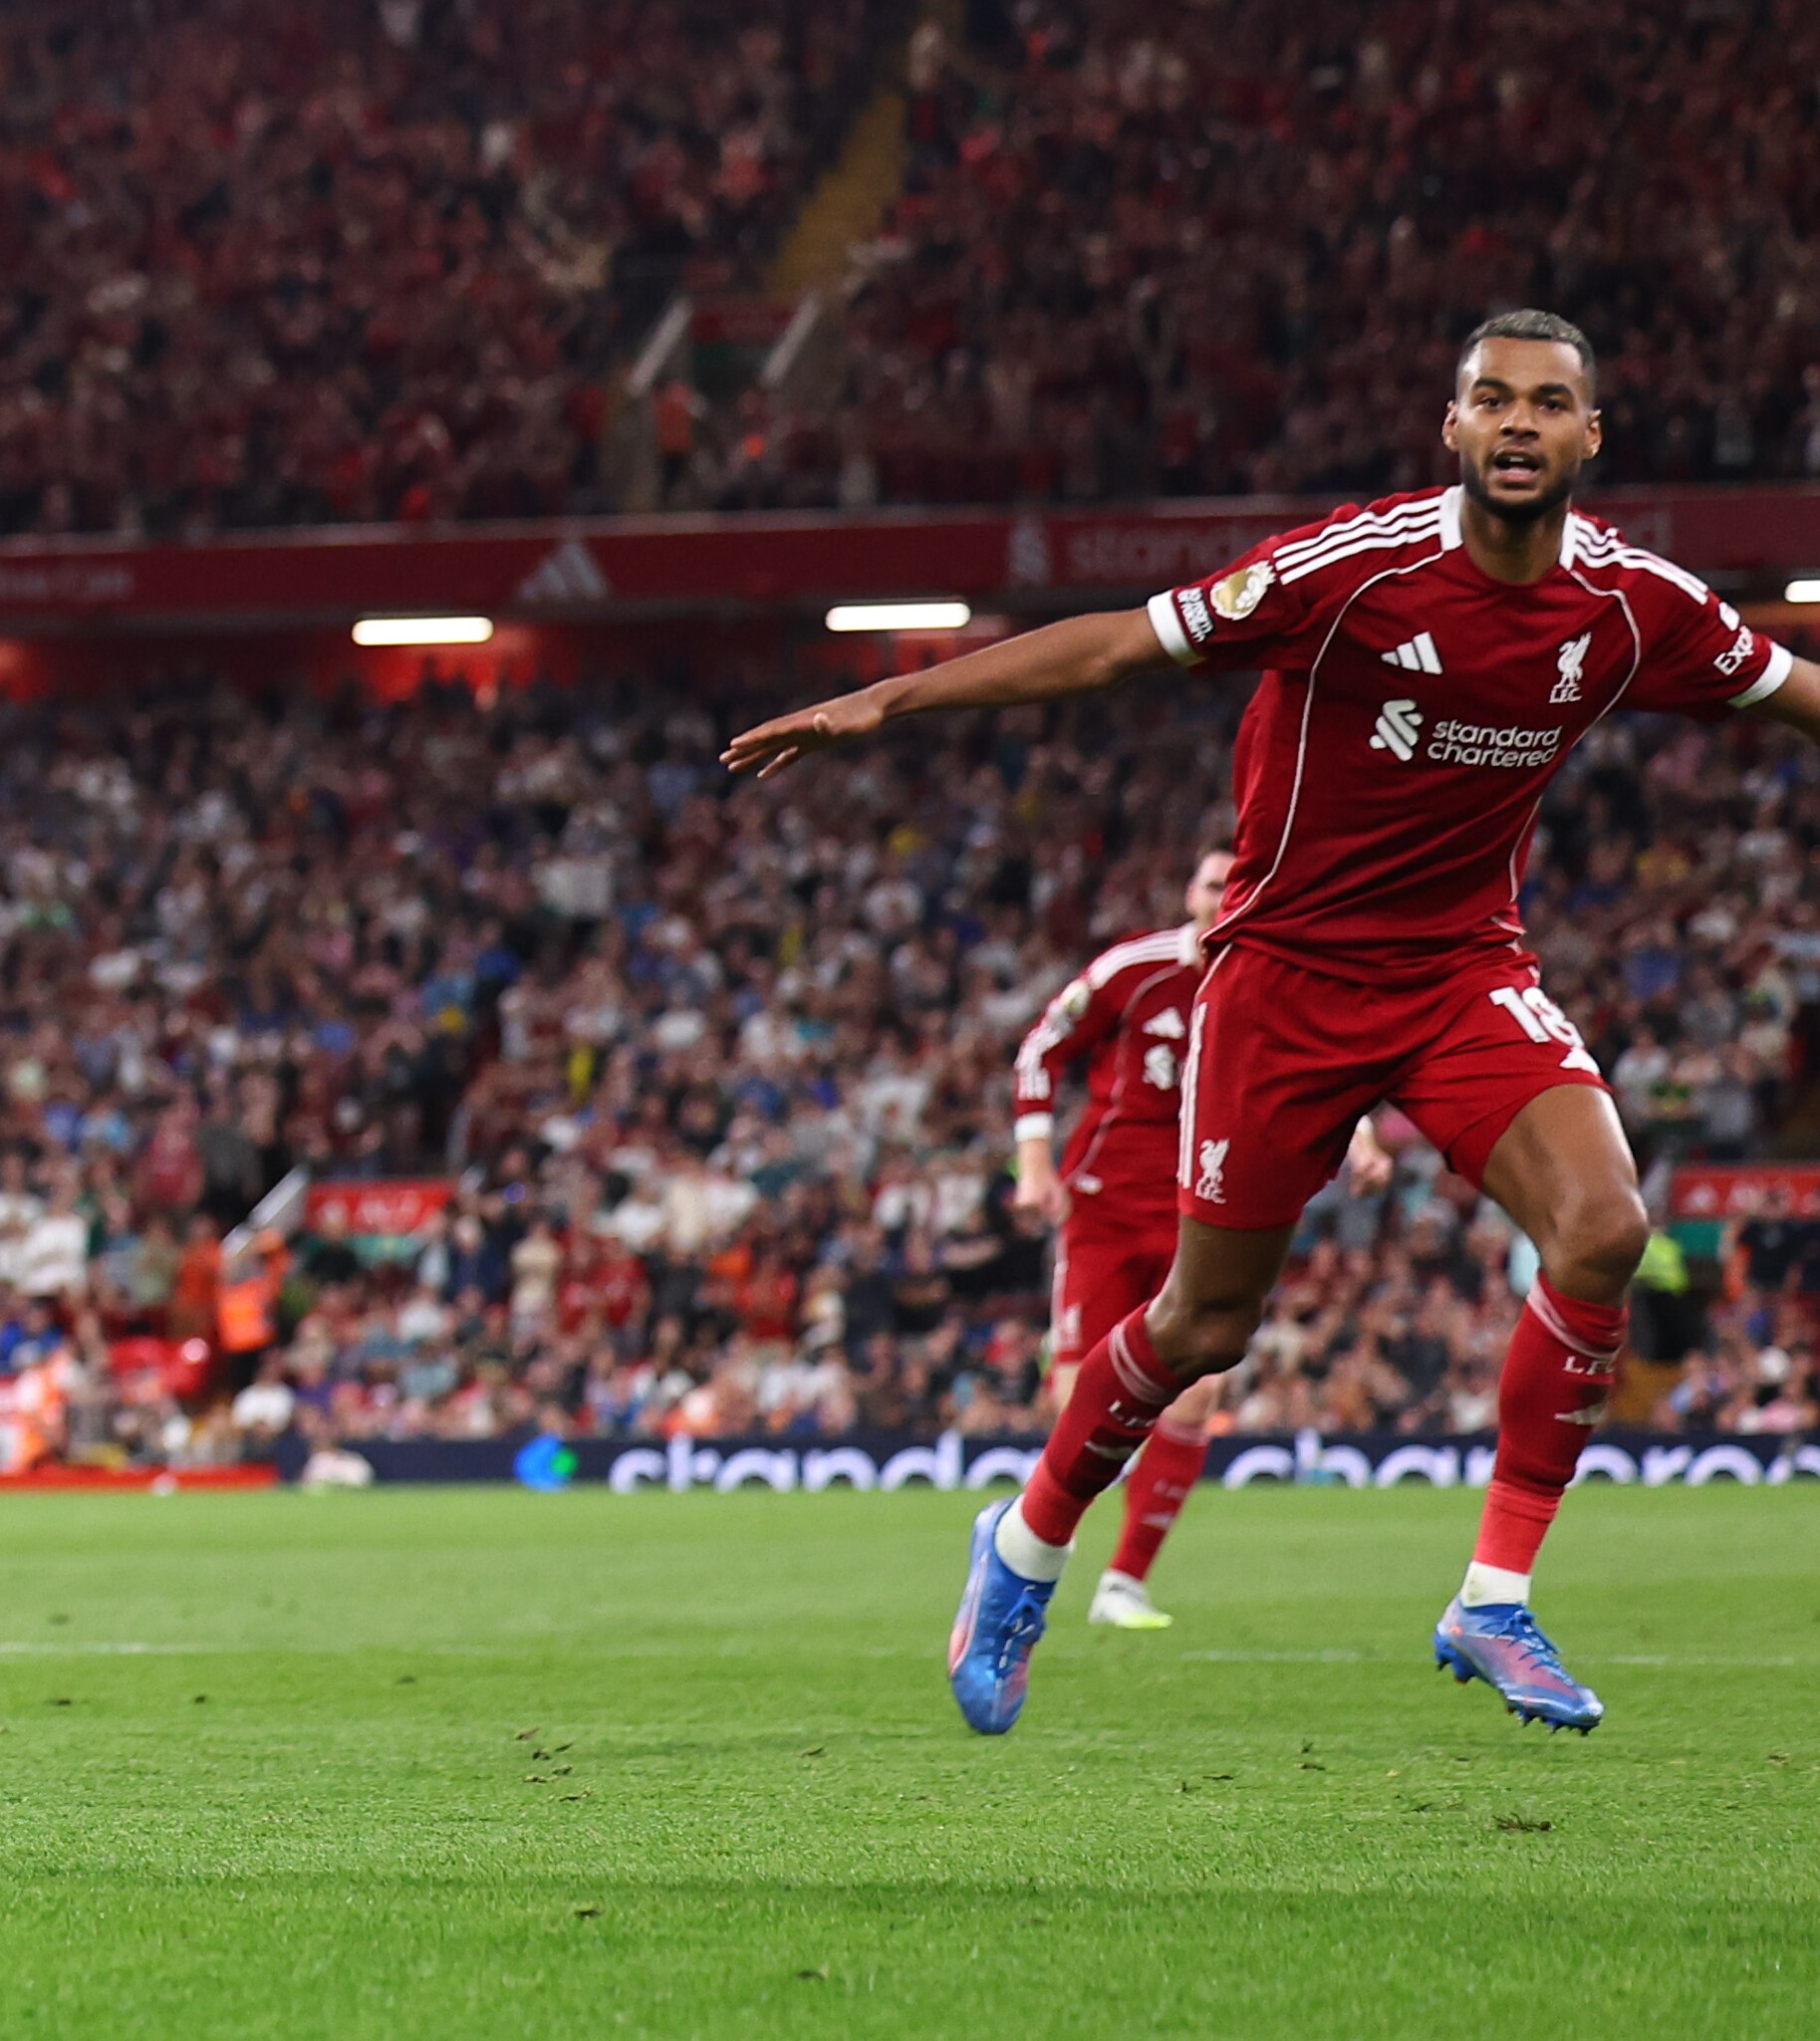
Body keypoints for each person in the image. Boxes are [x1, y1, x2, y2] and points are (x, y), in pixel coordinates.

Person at [727, 310, 1819, 1735]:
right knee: (1199, 1322)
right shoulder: (1351, 569)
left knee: (1604, 1225)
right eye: (1487, 397)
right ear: (1449, 424)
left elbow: (1793, 692)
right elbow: (1122, 642)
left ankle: (1490, 1598)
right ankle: (1023, 1544)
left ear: (1585, 437)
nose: (1513, 423)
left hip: (1458, 972)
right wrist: (895, 699)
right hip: (1283, 979)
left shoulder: (1627, 604)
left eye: (1545, 404)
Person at [1010, 847, 1391, 1630]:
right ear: (1190, 892)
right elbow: (1042, 1047)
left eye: (1235, 885)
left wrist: (1363, 1145)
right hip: (1105, 1206)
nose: (1222, 898)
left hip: (1204, 1209)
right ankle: (1035, 1548)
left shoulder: (1275, 982)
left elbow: (1324, 1078)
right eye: (1212, 884)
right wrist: (1033, 1164)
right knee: (1073, 1394)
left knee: (1201, 1387)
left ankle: (1124, 1582)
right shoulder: (1133, 969)